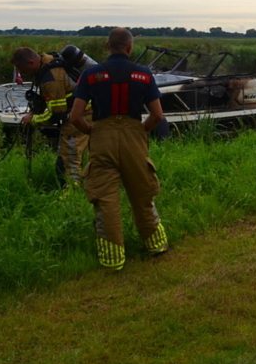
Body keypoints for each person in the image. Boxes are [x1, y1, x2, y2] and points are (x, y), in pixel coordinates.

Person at [69, 28, 169, 271]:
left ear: (107, 45)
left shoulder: (91, 74)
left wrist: (93, 131)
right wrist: (139, 131)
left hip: (102, 137)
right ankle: (156, 246)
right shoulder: (144, 75)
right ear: (130, 48)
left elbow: (75, 117)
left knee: (105, 199)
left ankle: (112, 259)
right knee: (142, 194)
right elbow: (157, 115)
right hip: (134, 136)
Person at [12, 47, 90, 187]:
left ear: (31, 62)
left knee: (68, 157)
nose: (22, 74)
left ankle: (71, 193)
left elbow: (55, 114)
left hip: (80, 115)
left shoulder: (51, 77)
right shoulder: (47, 64)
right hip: (84, 111)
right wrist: (34, 111)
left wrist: (33, 120)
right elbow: (48, 100)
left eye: (22, 69)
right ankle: (86, 186)